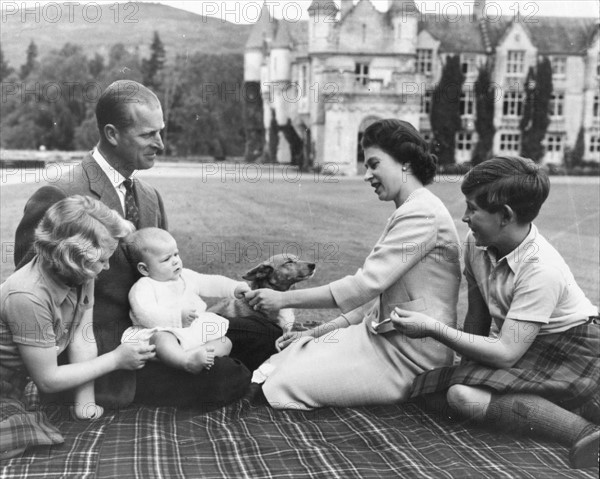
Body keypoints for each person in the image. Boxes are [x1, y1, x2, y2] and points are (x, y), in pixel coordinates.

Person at [13, 80, 262, 409]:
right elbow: (34, 296)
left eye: (161, 131)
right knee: (226, 376)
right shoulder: (61, 195)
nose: (160, 143)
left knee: (261, 333)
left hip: (162, 331)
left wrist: (196, 316)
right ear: (113, 134)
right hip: (104, 352)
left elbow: (168, 276)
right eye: (148, 135)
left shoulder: (148, 196)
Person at [391, 156, 599, 469]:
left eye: (473, 209)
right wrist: (467, 367)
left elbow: (504, 354)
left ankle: (586, 433)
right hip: (522, 346)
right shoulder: (475, 243)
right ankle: (557, 409)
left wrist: (434, 328)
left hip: (573, 348)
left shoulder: (541, 269)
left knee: (461, 396)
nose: (464, 217)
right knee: (430, 390)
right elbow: (477, 317)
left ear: (505, 216)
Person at [245, 119, 462, 409]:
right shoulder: (411, 209)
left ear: (405, 163)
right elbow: (371, 301)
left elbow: (362, 287)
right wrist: (314, 332)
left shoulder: (422, 213)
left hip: (410, 359)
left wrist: (282, 299)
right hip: (379, 340)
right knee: (287, 356)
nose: (366, 175)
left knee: (281, 384)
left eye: (374, 164)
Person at [0, 196, 155, 460]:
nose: (106, 267)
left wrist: (85, 403)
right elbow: (48, 380)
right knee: (22, 430)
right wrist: (116, 359)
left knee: (25, 426)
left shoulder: (81, 272)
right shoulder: (27, 295)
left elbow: (82, 338)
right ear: (70, 257)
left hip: (13, 384)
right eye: (102, 261)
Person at [123, 228, 250, 373]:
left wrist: (233, 288)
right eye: (166, 259)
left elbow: (209, 282)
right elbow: (145, 313)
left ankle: (201, 355)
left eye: (176, 254)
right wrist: (177, 317)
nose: (175, 261)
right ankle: (186, 361)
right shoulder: (144, 286)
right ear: (144, 269)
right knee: (162, 339)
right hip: (162, 329)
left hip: (192, 330)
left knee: (225, 342)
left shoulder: (185, 276)